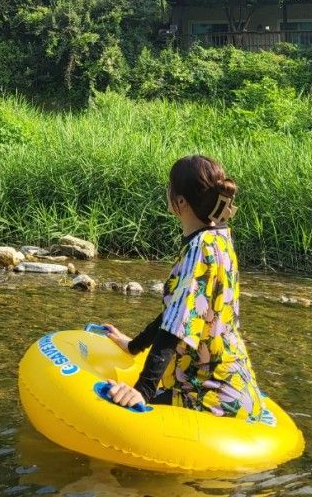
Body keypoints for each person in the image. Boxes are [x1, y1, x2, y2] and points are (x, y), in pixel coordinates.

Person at [103, 154, 274, 423]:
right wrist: (134, 345)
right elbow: (180, 309)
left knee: (109, 416)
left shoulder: (199, 251)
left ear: (180, 201)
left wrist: (142, 391)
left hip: (208, 396)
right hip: (237, 385)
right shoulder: (219, 238)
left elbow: (174, 327)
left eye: (170, 187)